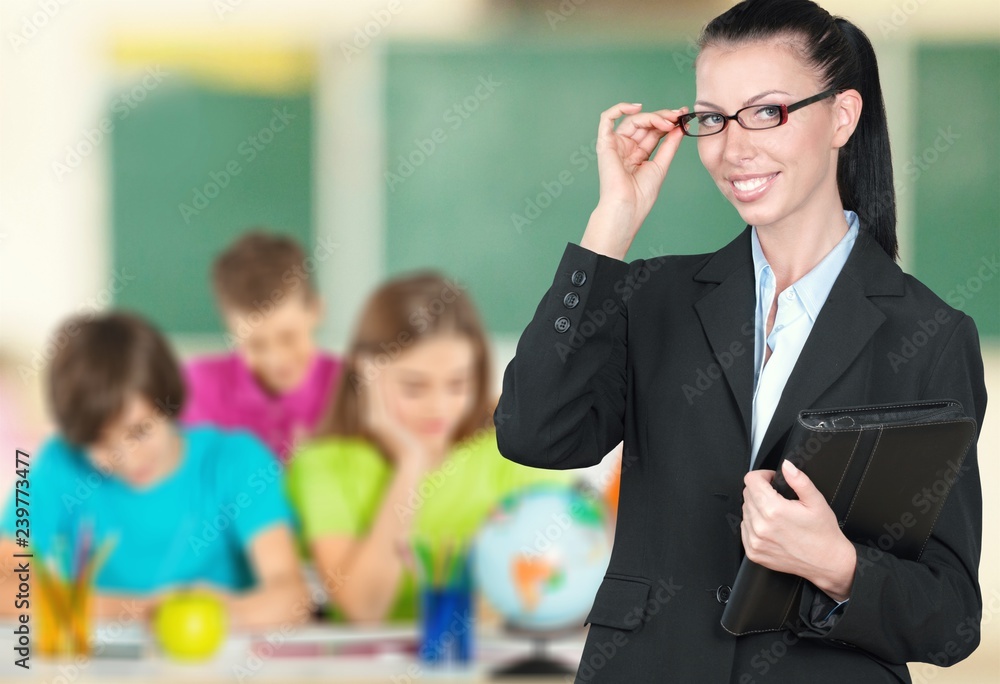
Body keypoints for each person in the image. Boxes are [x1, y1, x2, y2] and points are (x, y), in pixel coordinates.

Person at [494, 0, 988, 681]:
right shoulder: (655, 298)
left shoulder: (926, 336)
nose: (733, 147)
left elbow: (951, 616)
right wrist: (611, 225)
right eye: (713, 119)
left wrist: (837, 565)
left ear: (842, 116)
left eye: (767, 112)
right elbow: (532, 430)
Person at [286, 272, 576, 623]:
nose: (439, 407)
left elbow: (567, 581)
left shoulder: (515, 449)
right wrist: (411, 464)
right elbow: (364, 608)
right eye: (414, 387)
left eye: (457, 384)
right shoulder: (325, 465)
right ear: (366, 373)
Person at [0, 312, 311, 630]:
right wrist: (142, 611)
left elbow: (292, 597)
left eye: (139, 431)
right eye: (100, 443)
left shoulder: (236, 461)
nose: (127, 459)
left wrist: (222, 612)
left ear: (168, 402)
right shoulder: (59, 464)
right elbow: (4, 587)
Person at [181, 230, 342, 463]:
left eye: (288, 337)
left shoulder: (351, 388)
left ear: (316, 310)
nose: (276, 359)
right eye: (255, 345)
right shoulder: (198, 390)